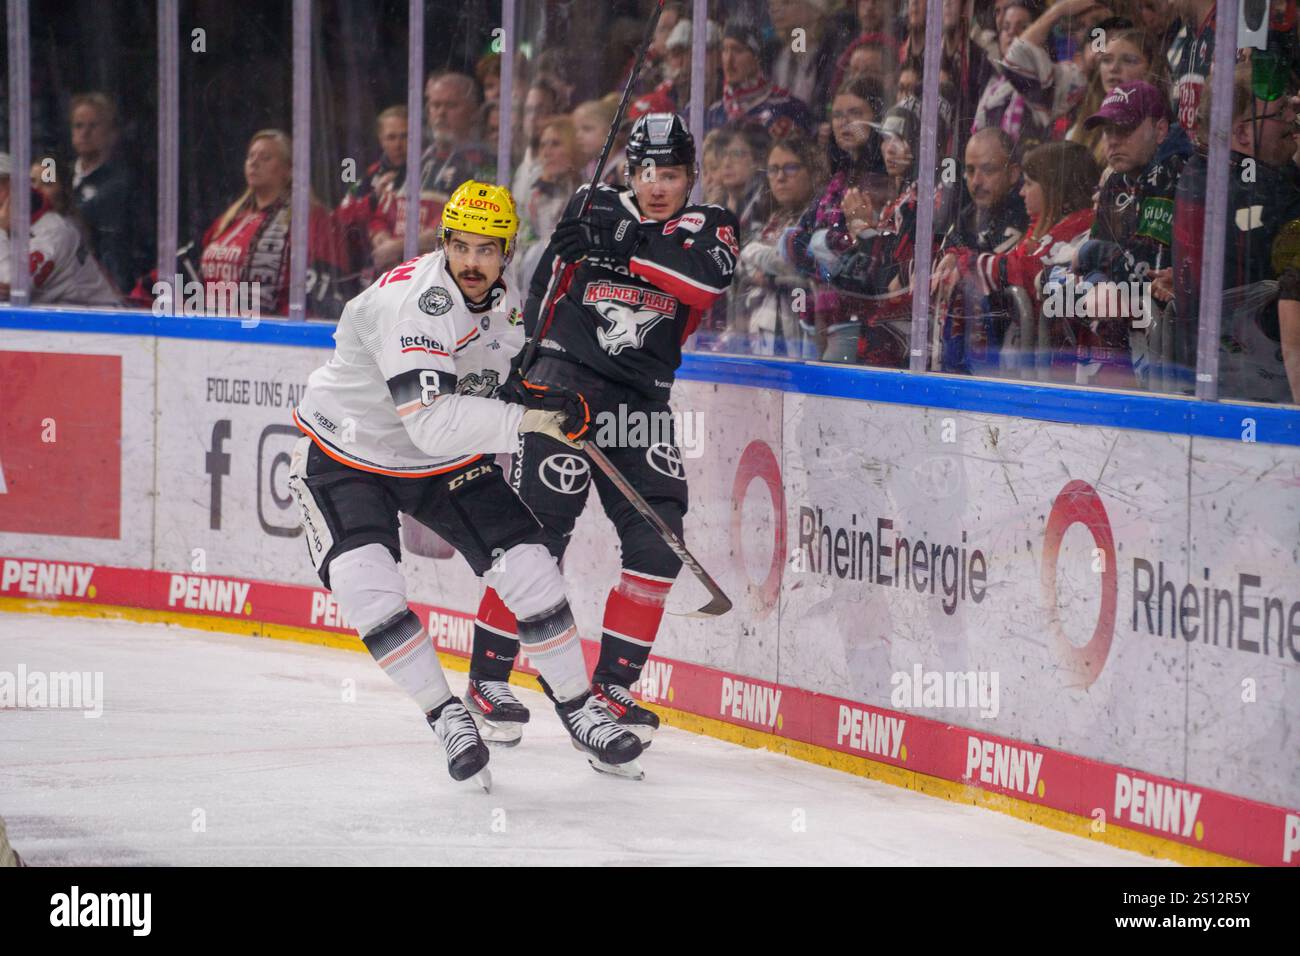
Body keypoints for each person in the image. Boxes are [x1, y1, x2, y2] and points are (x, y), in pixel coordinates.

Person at [289, 180, 645, 786]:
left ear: (507, 252)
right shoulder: (417, 306)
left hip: (437, 460)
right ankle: (446, 713)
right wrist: (535, 420)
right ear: (443, 243)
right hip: (344, 451)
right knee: (366, 588)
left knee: (531, 567)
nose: (472, 262)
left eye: (487, 249)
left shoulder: (499, 299)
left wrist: (542, 391)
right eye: (461, 247)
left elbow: (498, 373)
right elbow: (431, 422)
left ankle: (580, 708)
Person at [464, 113, 740, 752]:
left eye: (671, 173)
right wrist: (525, 366)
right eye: (646, 171)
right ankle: (488, 677)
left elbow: (705, 279)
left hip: (641, 402)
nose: (658, 185)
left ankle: (614, 689)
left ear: (689, 176)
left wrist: (629, 246)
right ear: (629, 171)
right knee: (539, 532)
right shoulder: (592, 202)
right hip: (564, 384)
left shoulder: (709, 226)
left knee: (659, 540)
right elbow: (546, 284)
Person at [1070, 80, 1186, 388]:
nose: (1112, 141)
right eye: (1108, 131)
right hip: (1124, 346)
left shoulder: (1175, 175)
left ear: (1160, 130)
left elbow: (1146, 272)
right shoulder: (1114, 181)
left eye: (1124, 130)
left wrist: (1089, 253)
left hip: (1171, 353)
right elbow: (1094, 271)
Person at [198, 130, 344, 319]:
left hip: (269, 336)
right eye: (250, 156)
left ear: (288, 170)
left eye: (265, 157)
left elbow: (320, 294)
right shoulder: (229, 221)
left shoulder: (310, 220)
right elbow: (191, 275)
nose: (254, 162)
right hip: (212, 331)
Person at [732, 133, 826, 357]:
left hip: (802, 340)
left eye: (790, 168)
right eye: (773, 169)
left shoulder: (820, 216)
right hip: (761, 335)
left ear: (812, 171)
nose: (780, 177)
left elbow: (795, 263)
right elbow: (738, 263)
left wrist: (755, 255)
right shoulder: (773, 217)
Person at [0, 151, 120, 306]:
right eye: (33, 182)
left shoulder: (56, 230)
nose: (38, 188)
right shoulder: (15, 224)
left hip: (102, 323)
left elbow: (11, 288)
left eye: (47, 183)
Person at [68, 92, 149, 296]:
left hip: (104, 289)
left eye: (93, 126)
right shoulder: (58, 171)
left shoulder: (123, 183)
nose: (84, 133)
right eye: (78, 126)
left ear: (112, 133)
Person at [706, 20, 812, 139]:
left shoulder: (787, 106)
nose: (728, 60)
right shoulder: (715, 113)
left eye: (738, 50)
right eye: (725, 50)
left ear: (757, 58)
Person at [336, 105, 407, 281]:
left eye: (404, 136)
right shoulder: (370, 175)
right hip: (374, 268)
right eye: (391, 137)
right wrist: (374, 198)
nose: (398, 144)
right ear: (381, 140)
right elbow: (341, 217)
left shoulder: (428, 172)